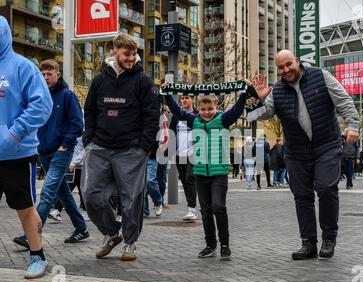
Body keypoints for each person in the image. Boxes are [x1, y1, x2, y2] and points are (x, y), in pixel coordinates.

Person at [247, 50, 359, 260]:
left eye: (289, 64)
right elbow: (256, 116)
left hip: (326, 145)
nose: (286, 70)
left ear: (297, 61)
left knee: (326, 188)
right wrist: (259, 99)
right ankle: (308, 243)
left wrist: (352, 125)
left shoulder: (321, 76)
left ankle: (328, 237)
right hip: (296, 152)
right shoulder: (277, 91)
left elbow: (343, 101)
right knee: (302, 196)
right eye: (281, 67)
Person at [81, 34, 160, 262]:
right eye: (127, 54)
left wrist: (144, 146)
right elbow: (90, 112)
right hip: (100, 147)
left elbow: (151, 115)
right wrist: (89, 141)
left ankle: (130, 242)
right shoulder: (99, 80)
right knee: (90, 194)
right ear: (115, 52)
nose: (131, 58)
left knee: (132, 199)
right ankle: (111, 232)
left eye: (134, 54)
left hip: (131, 150)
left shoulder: (142, 81)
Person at [164, 87, 251, 260]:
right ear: (198, 109)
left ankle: (225, 245)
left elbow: (236, 110)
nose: (206, 113)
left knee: (219, 207)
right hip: (200, 173)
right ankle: (210, 244)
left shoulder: (223, 119)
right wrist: (166, 95)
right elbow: (178, 112)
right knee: (205, 210)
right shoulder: (193, 120)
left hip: (218, 173)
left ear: (216, 107)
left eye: (210, 109)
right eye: (203, 110)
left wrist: (243, 94)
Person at [13, 59, 88, 248]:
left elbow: (77, 124)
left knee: (47, 192)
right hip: (44, 151)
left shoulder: (67, 96)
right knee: (63, 193)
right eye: (43, 74)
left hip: (61, 151)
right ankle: (81, 228)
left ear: (58, 74)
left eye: (50, 74)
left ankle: (31, 234)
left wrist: (65, 144)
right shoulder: (37, 96)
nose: (46, 78)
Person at [0, 16, 53, 279]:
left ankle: (37, 256)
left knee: (24, 208)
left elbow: (42, 105)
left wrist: (15, 133)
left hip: (17, 154)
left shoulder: (23, 67)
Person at [169, 95, 199, 221]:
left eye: (187, 98)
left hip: (194, 153)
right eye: (182, 98)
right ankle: (191, 207)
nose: (184, 100)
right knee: (185, 182)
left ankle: (192, 209)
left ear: (193, 99)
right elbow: (171, 132)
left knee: (190, 177)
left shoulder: (198, 115)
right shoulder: (176, 116)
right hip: (179, 153)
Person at [49, 136, 89, 222]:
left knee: (80, 190)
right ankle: (57, 211)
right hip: (71, 166)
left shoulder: (84, 133)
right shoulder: (70, 133)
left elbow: (85, 150)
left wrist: (74, 162)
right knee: (66, 188)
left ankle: (86, 212)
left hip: (80, 166)